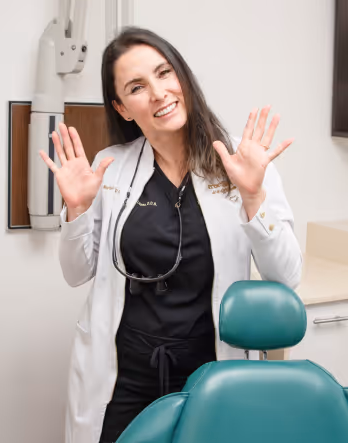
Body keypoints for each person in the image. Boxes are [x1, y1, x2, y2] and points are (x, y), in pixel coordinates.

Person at [40, 27, 302, 443]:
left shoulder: (242, 160)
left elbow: (286, 276)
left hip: (211, 372)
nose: (159, 92)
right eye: (137, 86)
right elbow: (77, 273)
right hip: (124, 377)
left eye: (165, 73)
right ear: (123, 108)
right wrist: (77, 209)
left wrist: (253, 195)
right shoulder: (110, 166)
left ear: (182, 76)